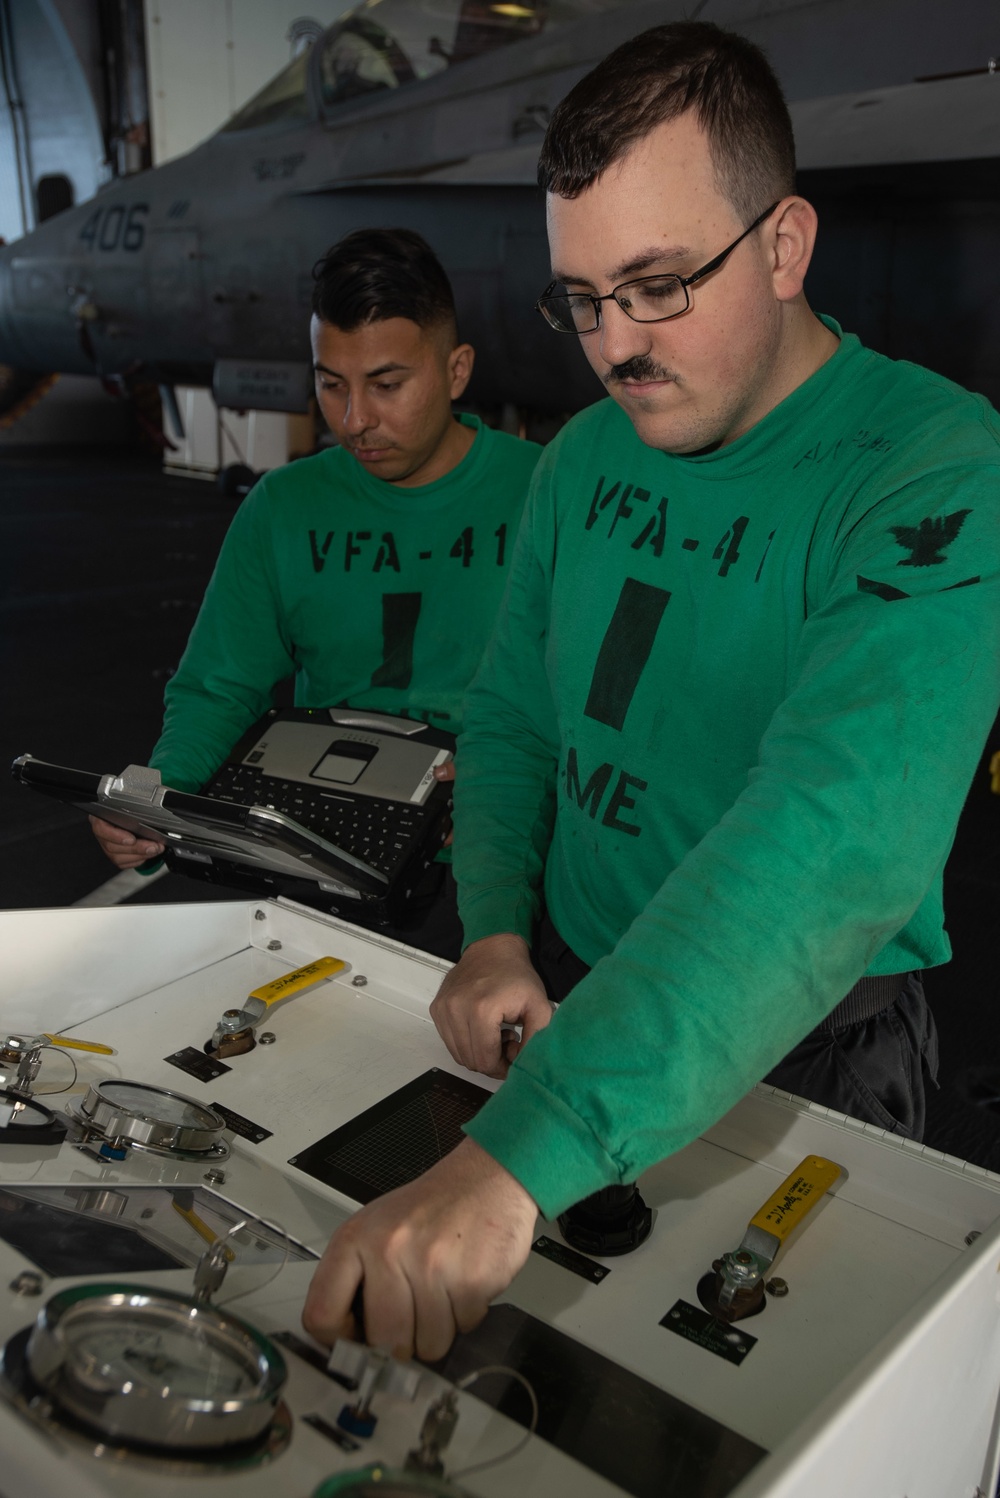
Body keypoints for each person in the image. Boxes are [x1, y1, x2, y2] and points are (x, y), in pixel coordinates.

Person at [302, 21, 1000, 1359]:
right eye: (581, 298)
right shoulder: (578, 460)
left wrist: (526, 1152)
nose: (614, 346)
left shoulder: (929, 467)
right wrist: (499, 928)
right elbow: (514, 716)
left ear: (786, 246)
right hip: (568, 982)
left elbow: (836, 836)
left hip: (808, 1040)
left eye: (660, 284)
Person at [90, 228, 541, 956]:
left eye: (387, 385)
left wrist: (512, 788)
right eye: (331, 384)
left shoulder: (544, 492)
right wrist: (158, 792)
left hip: (491, 860)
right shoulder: (282, 507)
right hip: (313, 853)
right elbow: (218, 687)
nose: (354, 419)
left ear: (457, 371)